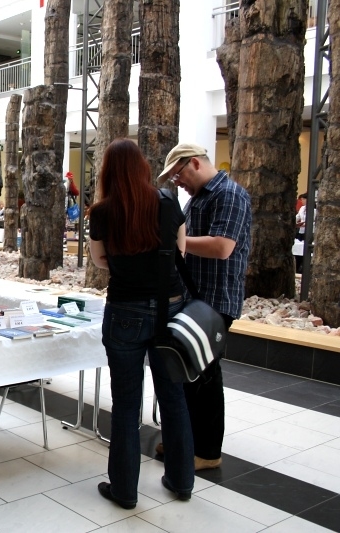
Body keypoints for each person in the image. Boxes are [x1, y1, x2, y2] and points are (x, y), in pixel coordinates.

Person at [88, 139, 194, 509]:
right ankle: (181, 481)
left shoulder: (102, 212)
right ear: (143, 168)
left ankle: (124, 490)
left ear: (108, 172)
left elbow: (100, 261)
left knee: (126, 404)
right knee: (174, 397)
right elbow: (180, 250)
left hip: (125, 313)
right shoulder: (168, 202)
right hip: (171, 310)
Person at [157, 142, 251, 471]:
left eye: (178, 174)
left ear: (194, 163)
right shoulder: (198, 198)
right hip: (195, 298)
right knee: (189, 374)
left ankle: (208, 452)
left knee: (206, 377)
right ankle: (186, 441)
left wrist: (175, 240)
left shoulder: (230, 195)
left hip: (216, 301)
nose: (176, 182)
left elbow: (222, 247)